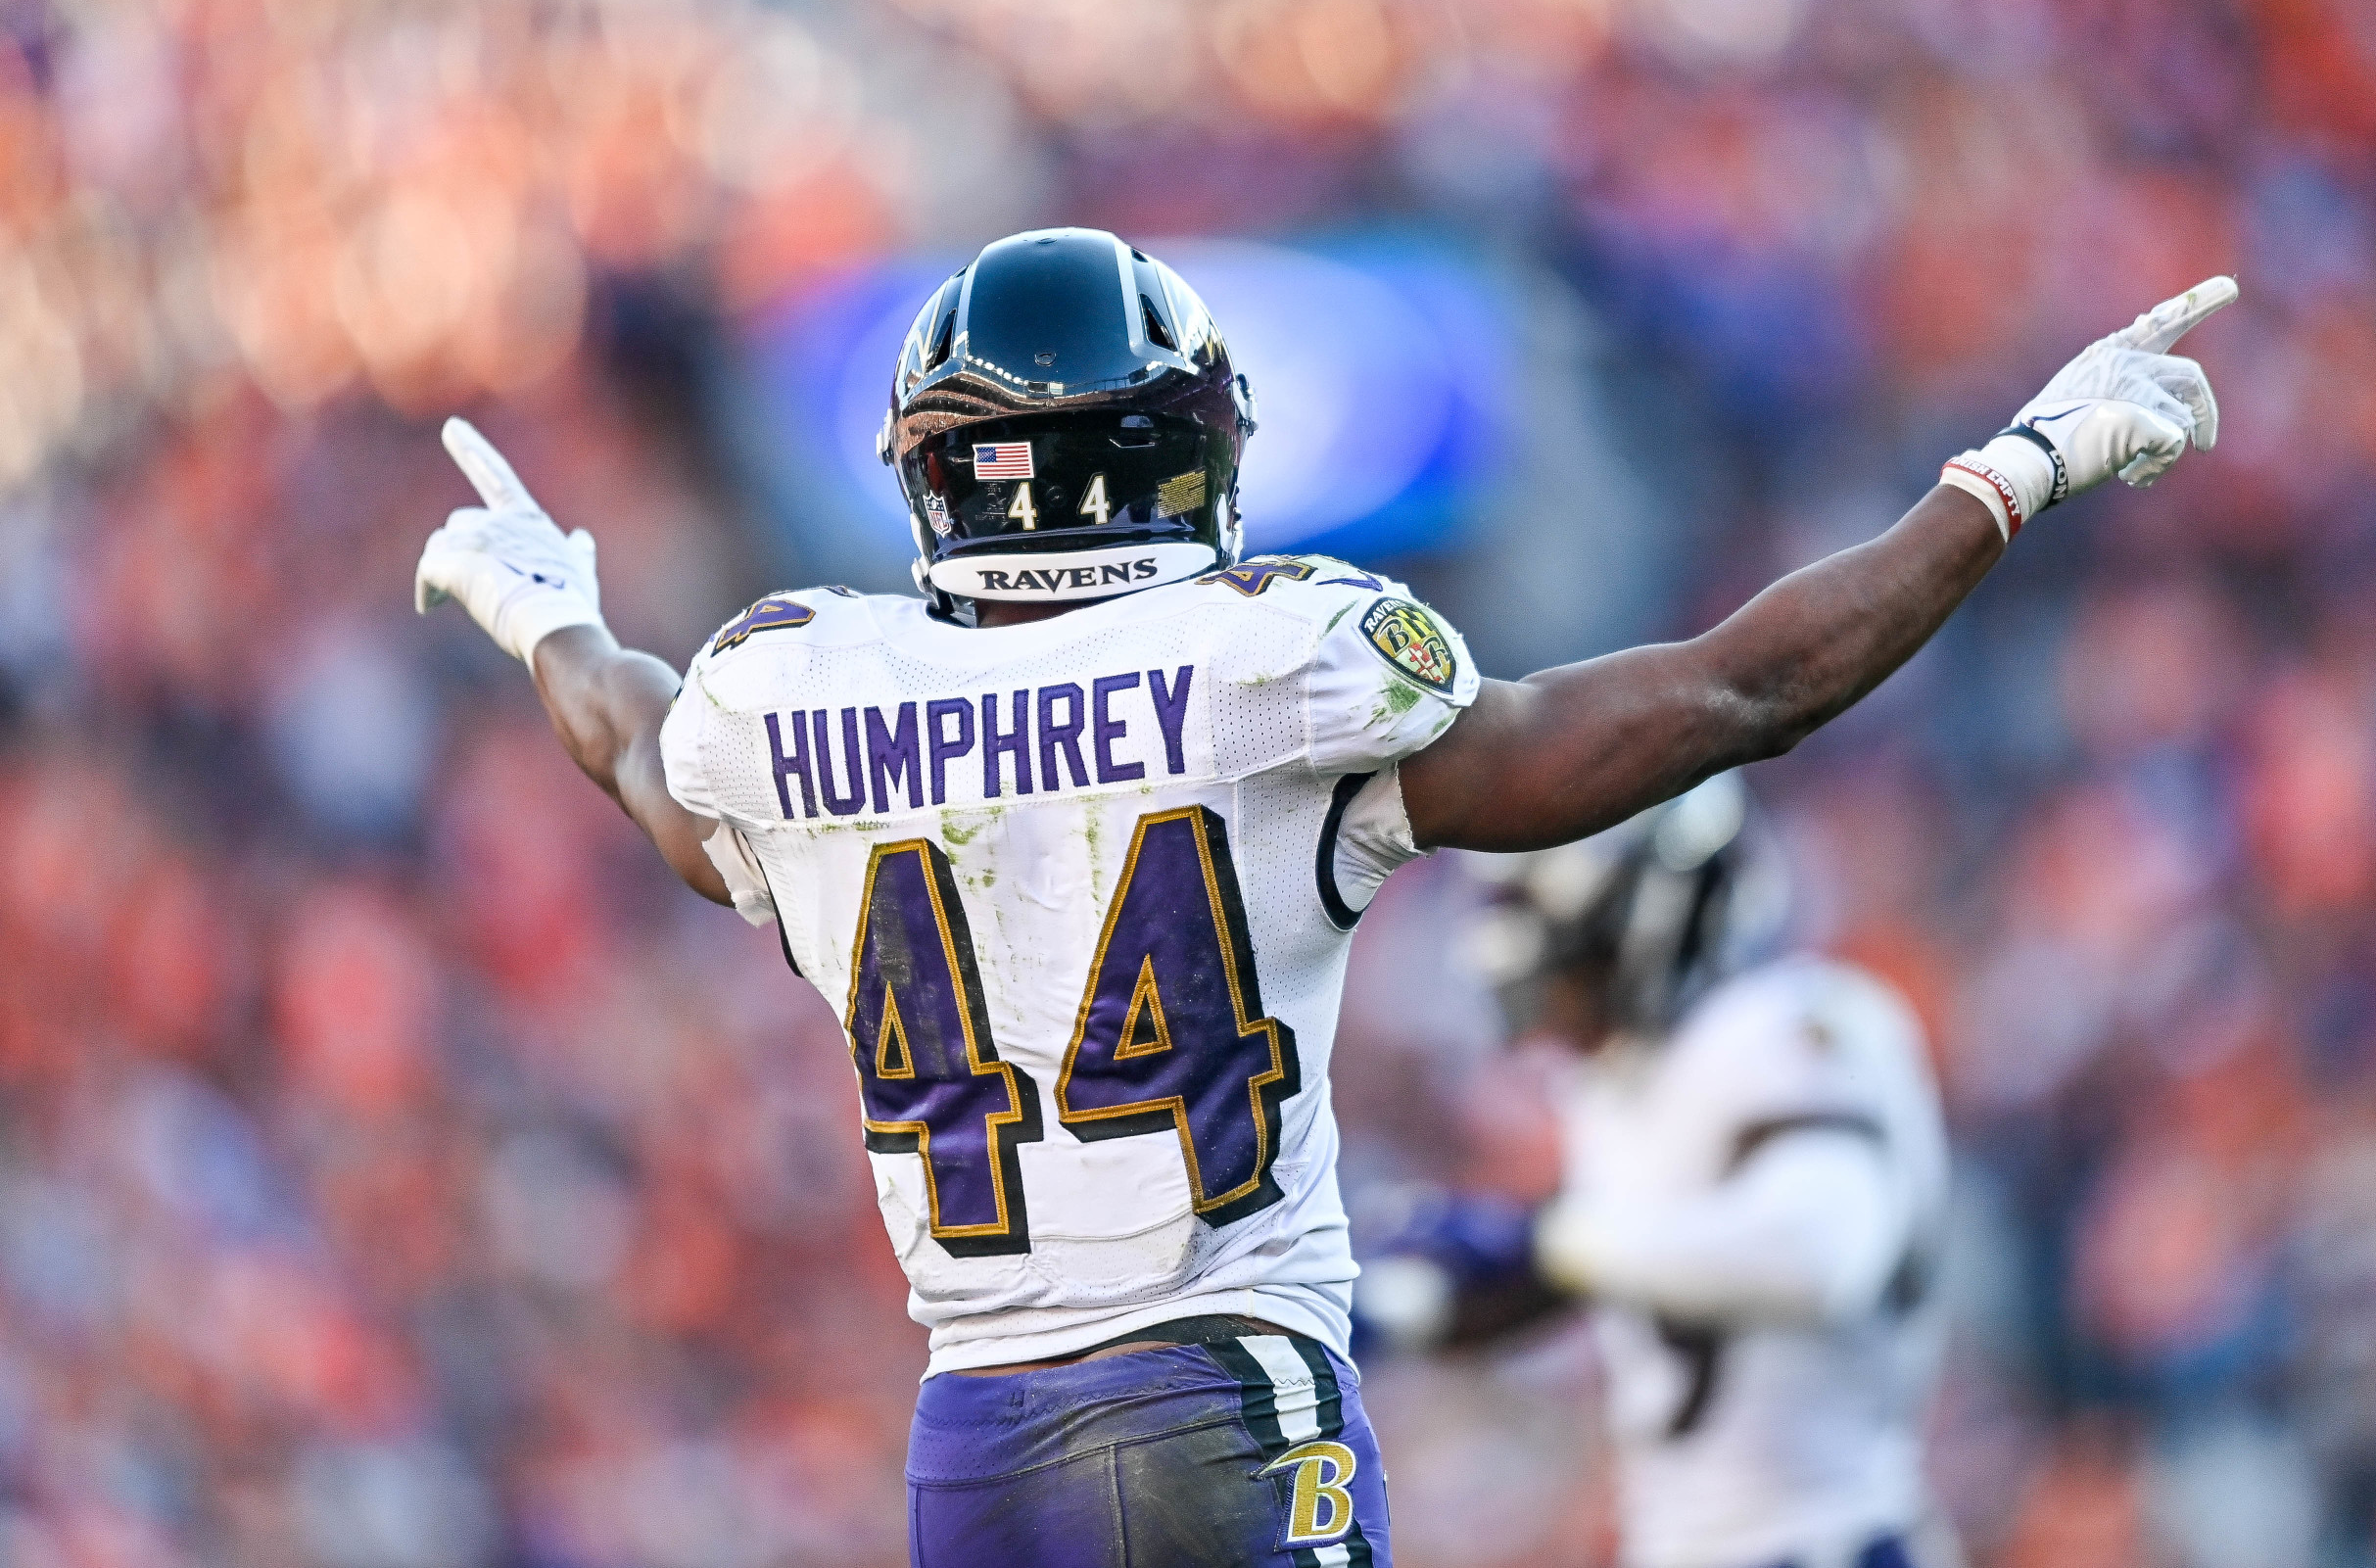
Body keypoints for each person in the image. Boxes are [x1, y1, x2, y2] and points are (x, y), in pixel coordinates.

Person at [411, 226, 2231, 1566]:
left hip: (968, 1446)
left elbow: (639, 753)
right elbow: (1733, 694)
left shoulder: (794, 683)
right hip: (1215, 1399)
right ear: (1167, 450)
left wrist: (537, 606)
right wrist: (2006, 477)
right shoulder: (1272, 658)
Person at [1358, 772, 1957, 1568]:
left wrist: (1550, 1242)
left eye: (1575, 961)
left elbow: (1821, 1254)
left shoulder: (1794, 1024)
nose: (1560, 1001)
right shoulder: (1623, 1085)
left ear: (1653, 912)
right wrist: (1399, 1301)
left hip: (1826, 1541)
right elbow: (1625, 1255)